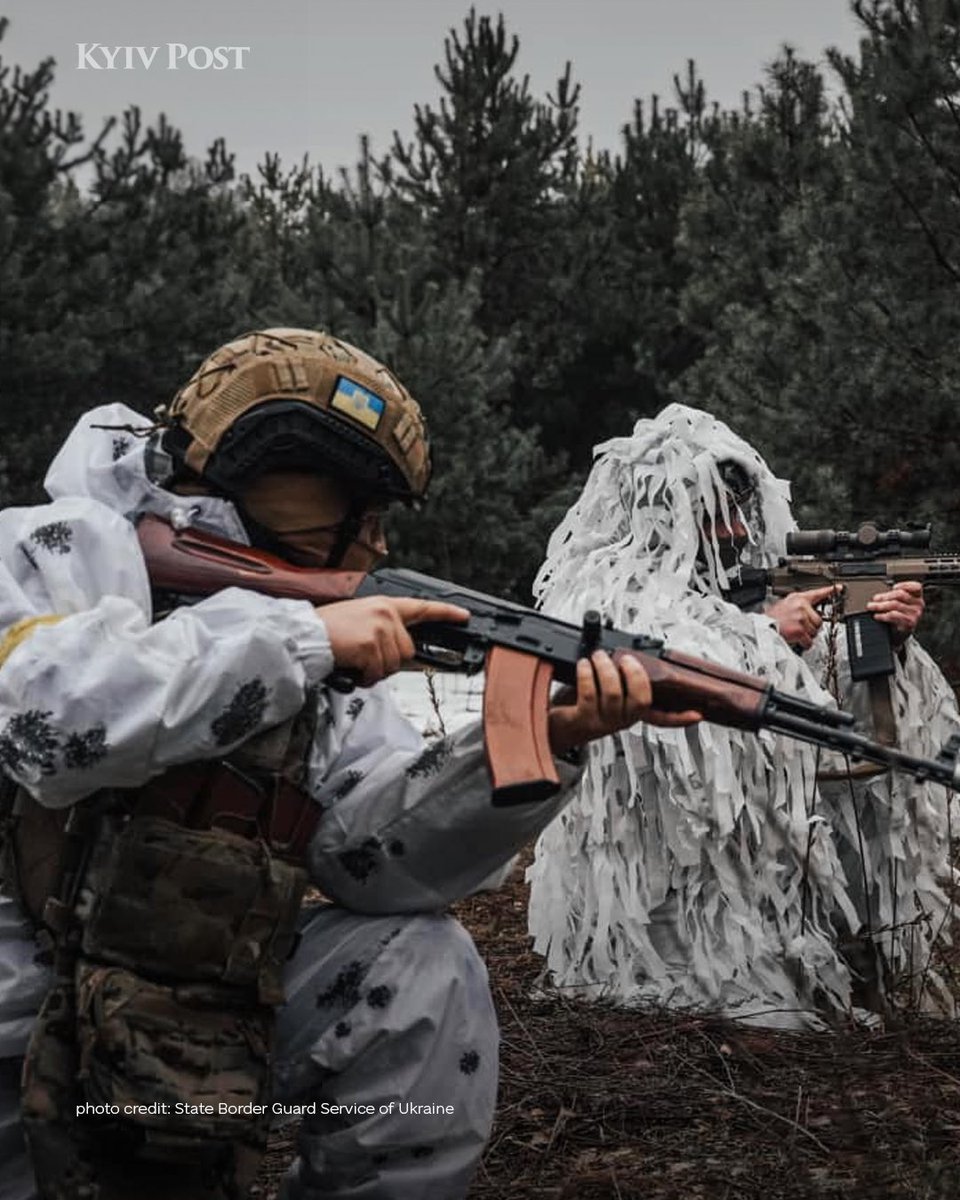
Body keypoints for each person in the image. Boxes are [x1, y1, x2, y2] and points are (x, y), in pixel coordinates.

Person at [0, 329, 698, 1200]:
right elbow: (46, 727)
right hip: (17, 1017)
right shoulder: (50, 550)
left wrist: (547, 740)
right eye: (343, 505)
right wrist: (301, 640)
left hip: (189, 1015)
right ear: (260, 478)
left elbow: (375, 865)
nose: (366, 540)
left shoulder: (314, 641)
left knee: (422, 967)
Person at [527, 403, 958, 1028]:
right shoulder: (599, 590)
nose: (733, 530)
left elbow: (811, 696)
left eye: (739, 510)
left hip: (766, 891)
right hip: (663, 899)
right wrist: (763, 634)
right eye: (714, 511)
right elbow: (659, 682)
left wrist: (882, 635)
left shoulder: (741, 586)